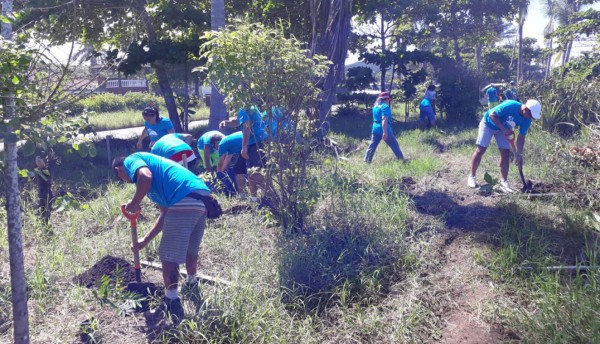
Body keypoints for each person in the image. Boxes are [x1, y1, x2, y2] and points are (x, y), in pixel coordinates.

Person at [113, 152, 212, 323]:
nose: (125, 180)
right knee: (190, 247)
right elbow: (165, 215)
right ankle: (192, 281)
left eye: (121, 177)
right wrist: (145, 240)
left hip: (184, 197)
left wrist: (134, 202)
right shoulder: (158, 186)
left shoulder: (130, 160)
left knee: (168, 255)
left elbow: (145, 177)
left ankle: (172, 301)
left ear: (119, 170)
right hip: (202, 198)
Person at [467, 99, 542, 192]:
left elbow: (521, 137)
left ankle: (504, 181)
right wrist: (504, 129)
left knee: (505, 154)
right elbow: (492, 115)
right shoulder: (510, 105)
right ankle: (472, 176)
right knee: (481, 149)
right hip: (488, 124)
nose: (530, 117)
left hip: (503, 130)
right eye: (530, 115)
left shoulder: (527, 120)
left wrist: (519, 154)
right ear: (525, 109)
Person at [220, 106, 268, 202]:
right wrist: (226, 122)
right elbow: (238, 122)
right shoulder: (250, 107)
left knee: (255, 172)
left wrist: (244, 146)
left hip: (255, 143)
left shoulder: (243, 108)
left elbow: (246, 126)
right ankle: (254, 198)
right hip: (259, 141)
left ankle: (268, 196)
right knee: (250, 171)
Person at [364, 91, 404, 163]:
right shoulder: (385, 107)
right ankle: (401, 160)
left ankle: (366, 161)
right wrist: (385, 132)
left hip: (375, 128)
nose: (388, 102)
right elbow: (384, 119)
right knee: (395, 145)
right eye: (388, 100)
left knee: (372, 146)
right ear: (386, 100)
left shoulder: (375, 107)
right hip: (384, 129)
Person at [216, 131, 247, 198]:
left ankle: (242, 195)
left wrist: (219, 174)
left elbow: (221, 162)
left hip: (247, 144)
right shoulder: (230, 142)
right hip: (254, 140)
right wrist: (224, 169)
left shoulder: (222, 144)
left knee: (239, 171)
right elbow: (227, 159)